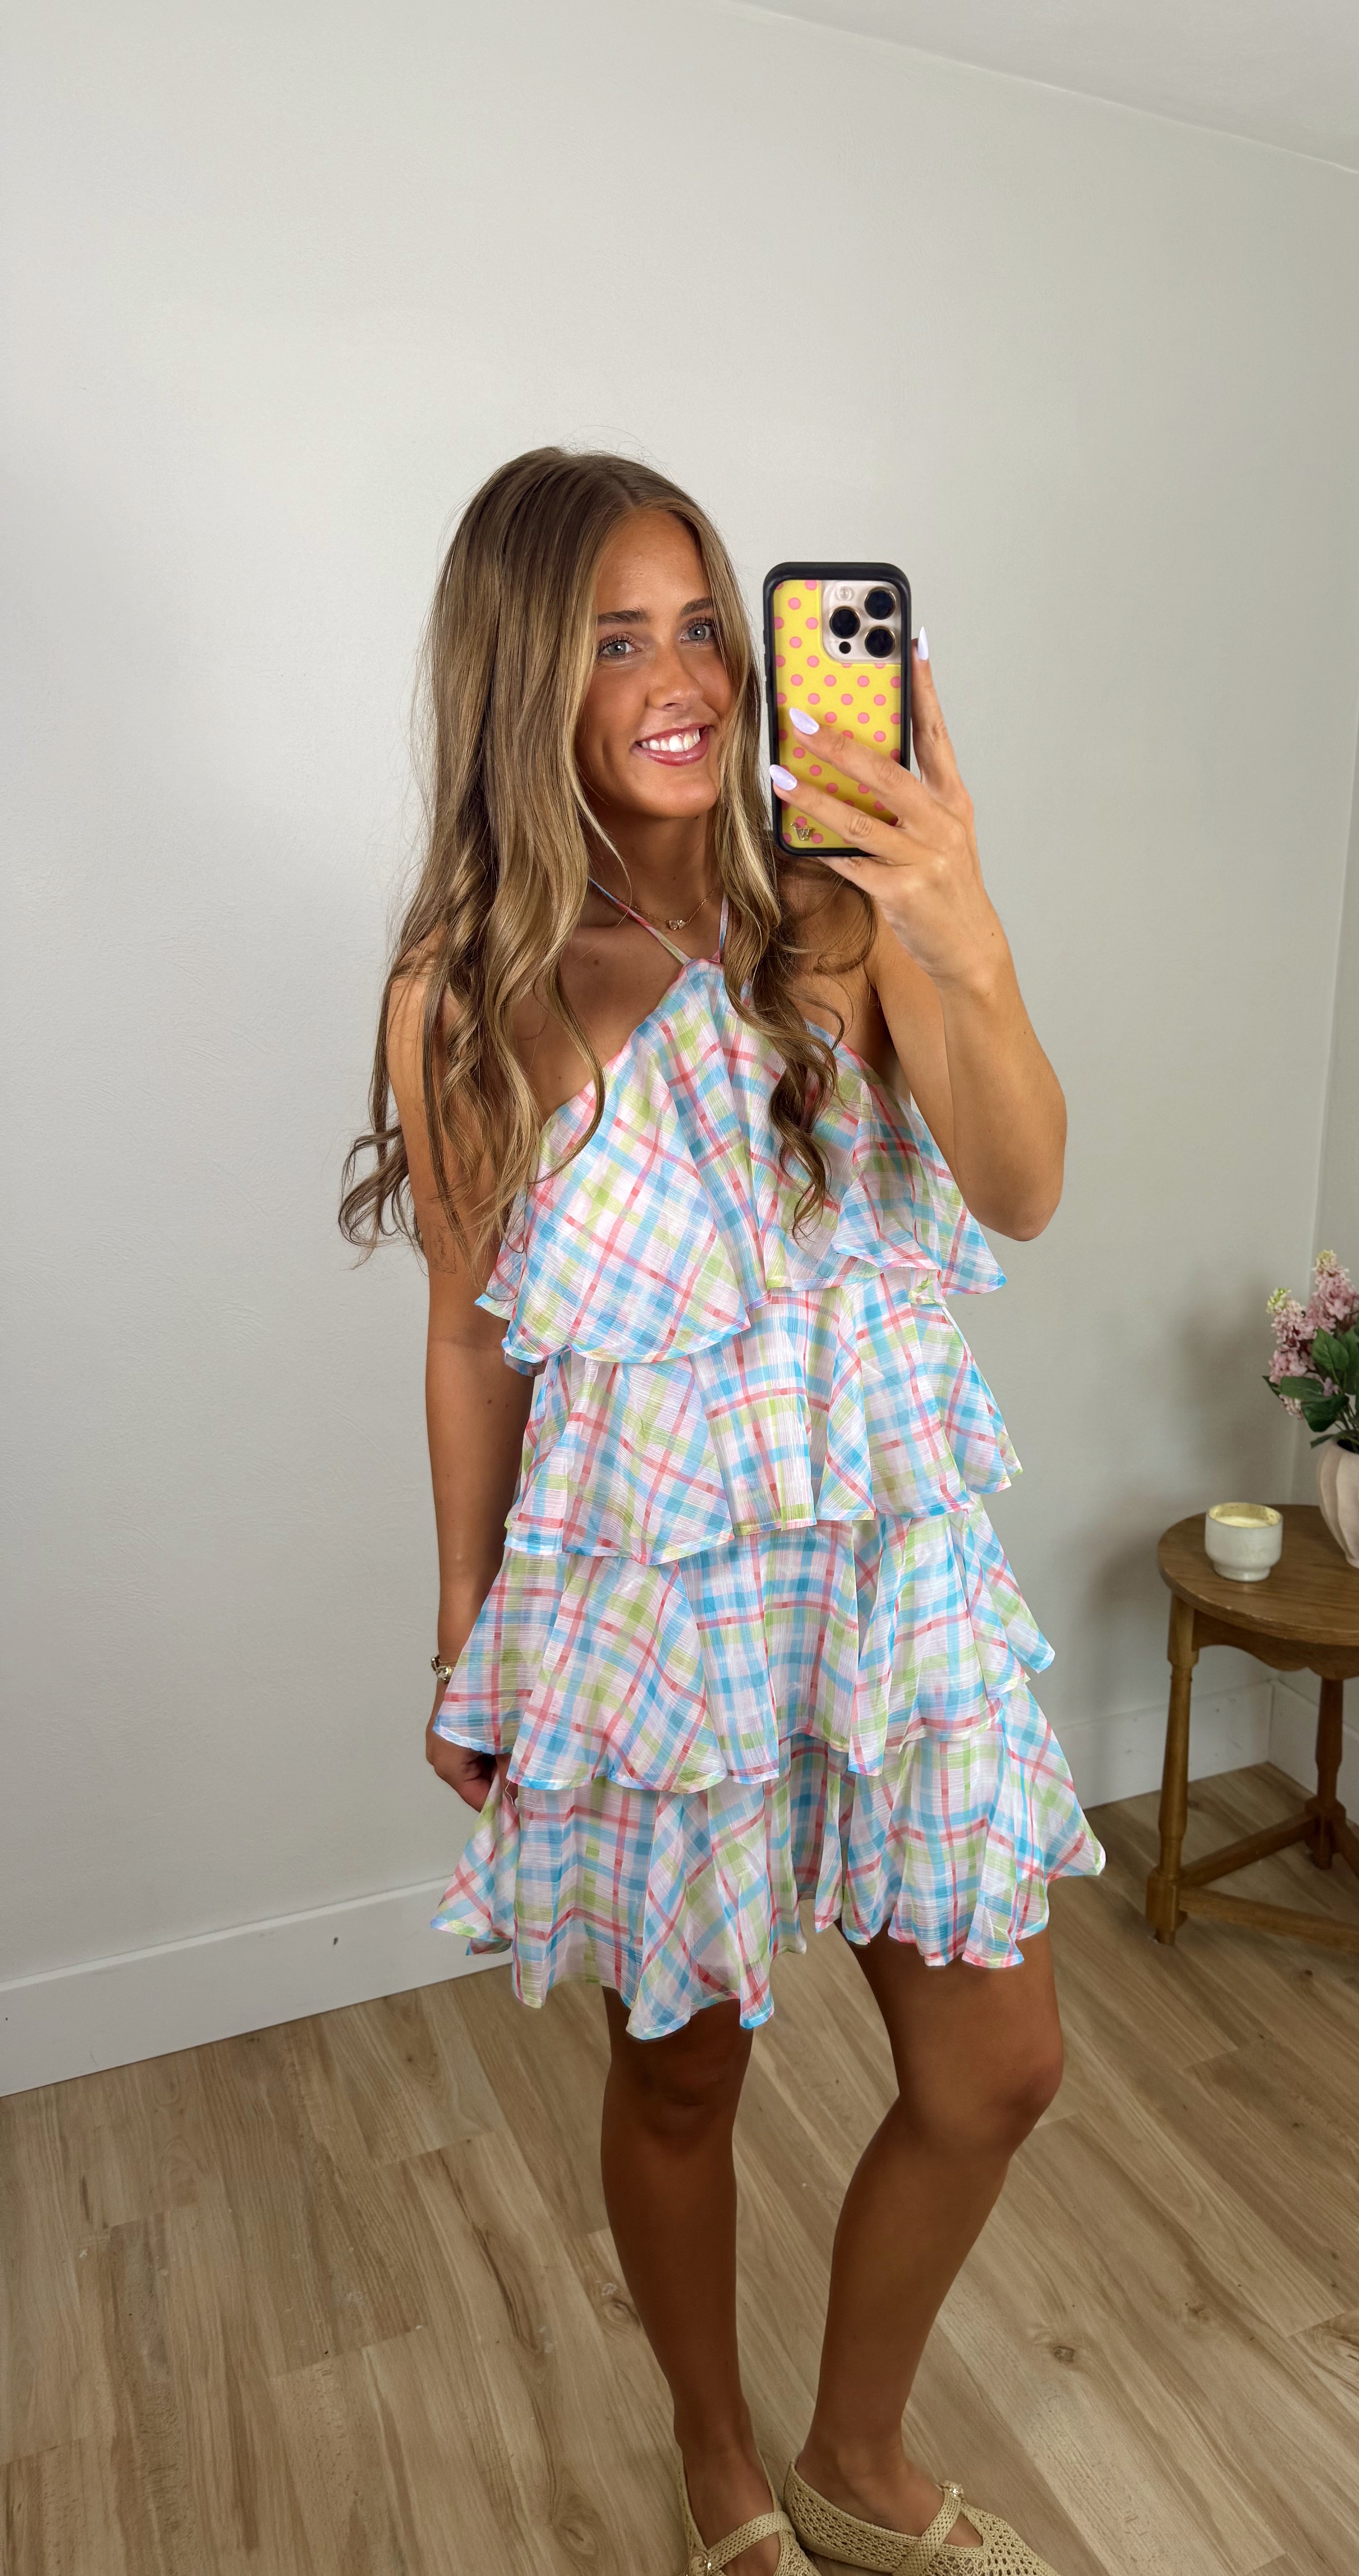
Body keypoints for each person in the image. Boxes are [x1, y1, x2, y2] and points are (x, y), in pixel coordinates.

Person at [341, 448, 1104, 2576]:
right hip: (652, 1597)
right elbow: (471, 1336)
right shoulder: (465, 988)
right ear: (522, 675)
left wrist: (964, 919)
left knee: (998, 2065)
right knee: (682, 2074)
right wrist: (466, 1628)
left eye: (702, 625)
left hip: (888, 1566)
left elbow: (1026, 1187)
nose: (682, 677)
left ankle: (854, 2450)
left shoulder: (840, 912)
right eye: (617, 639)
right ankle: (717, 2460)